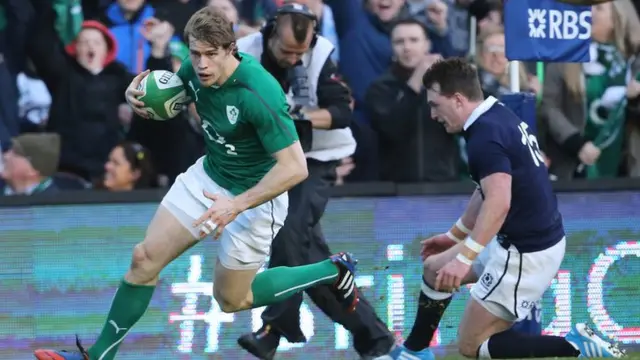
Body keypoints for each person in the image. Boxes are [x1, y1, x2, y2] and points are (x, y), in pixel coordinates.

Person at [33, 7, 360, 360]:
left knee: (234, 299)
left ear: (231, 49)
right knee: (144, 259)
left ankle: (332, 270)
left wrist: (235, 205)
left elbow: (296, 169)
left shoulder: (259, 91)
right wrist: (140, 98)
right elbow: (173, 99)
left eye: (211, 54)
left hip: (256, 197)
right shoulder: (192, 70)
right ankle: (98, 355)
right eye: (196, 53)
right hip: (209, 176)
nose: (201, 64)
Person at [388, 58, 624, 360]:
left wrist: (464, 258)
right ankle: (415, 352)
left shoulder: (484, 135)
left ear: (458, 99)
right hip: (519, 243)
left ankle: (574, 345)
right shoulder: (493, 114)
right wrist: (454, 235)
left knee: (470, 346)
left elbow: (499, 202)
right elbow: (485, 188)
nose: (433, 114)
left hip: (526, 254)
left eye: (435, 105)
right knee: (434, 269)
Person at [235, 4, 394, 359]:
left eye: (299, 54)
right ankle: (376, 340)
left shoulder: (320, 54)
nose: (294, 60)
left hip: (315, 160)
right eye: (286, 52)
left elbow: (341, 112)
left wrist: (300, 115)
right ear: (270, 33)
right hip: (271, 163)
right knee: (308, 257)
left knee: (288, 230)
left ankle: (274, 329)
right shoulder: (243, 53)